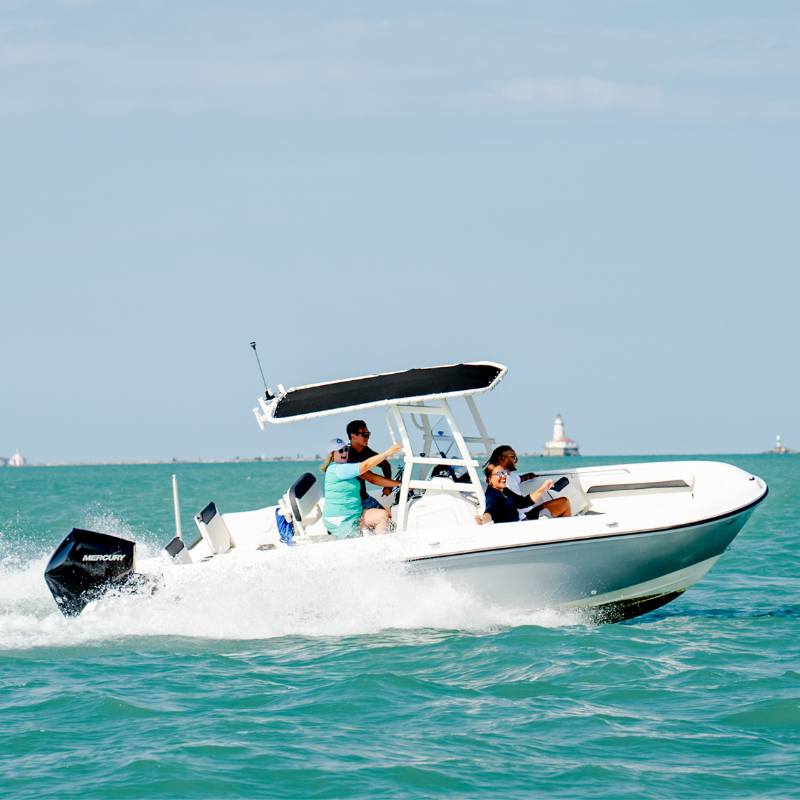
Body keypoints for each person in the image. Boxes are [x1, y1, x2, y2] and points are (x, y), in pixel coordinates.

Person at [321, 437, 403, 539]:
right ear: (332, 454)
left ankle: (381, 548)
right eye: (340, 451)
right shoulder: (337, 469)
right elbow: (366, 465)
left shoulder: (347, 468)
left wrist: (401, 484)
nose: (344, 453)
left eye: (346, 449)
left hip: (355, 514)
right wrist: (388, 452)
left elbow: (372, 478)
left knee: (382, 516)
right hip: (340, 518)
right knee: (354, 545)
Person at [476, 462, 571, 525]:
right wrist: (485, 518)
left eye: (504, 473)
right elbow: (491, 509)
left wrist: (544, 488)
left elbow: (523, 502)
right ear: (490, 479)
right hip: (519, 529)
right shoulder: (493, 494)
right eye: (499, 474)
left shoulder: (504, 490)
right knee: (564, 504)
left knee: (564, 502)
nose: (504, 476)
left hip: (522, 521)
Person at [346, 420, 395, 510]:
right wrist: (398, 484)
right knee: (383, 519)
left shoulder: (365, 450)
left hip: (365, 498)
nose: (367, 437)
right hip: (354, 504)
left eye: (368, 434)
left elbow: (385, 465)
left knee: (389, 520)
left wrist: (388, 486)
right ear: (353, 436)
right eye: (364, 434)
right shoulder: (347, 456)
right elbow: (371, 478)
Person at [487, 445, 539, 519]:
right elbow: (518, 504)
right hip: (527, 515)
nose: (516, 460)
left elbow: (519, 478)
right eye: (513, 457)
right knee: (562, 503)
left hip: (530, 509)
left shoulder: (510, 475)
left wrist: (528, 476)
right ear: (502, 459)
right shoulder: (504, 483)